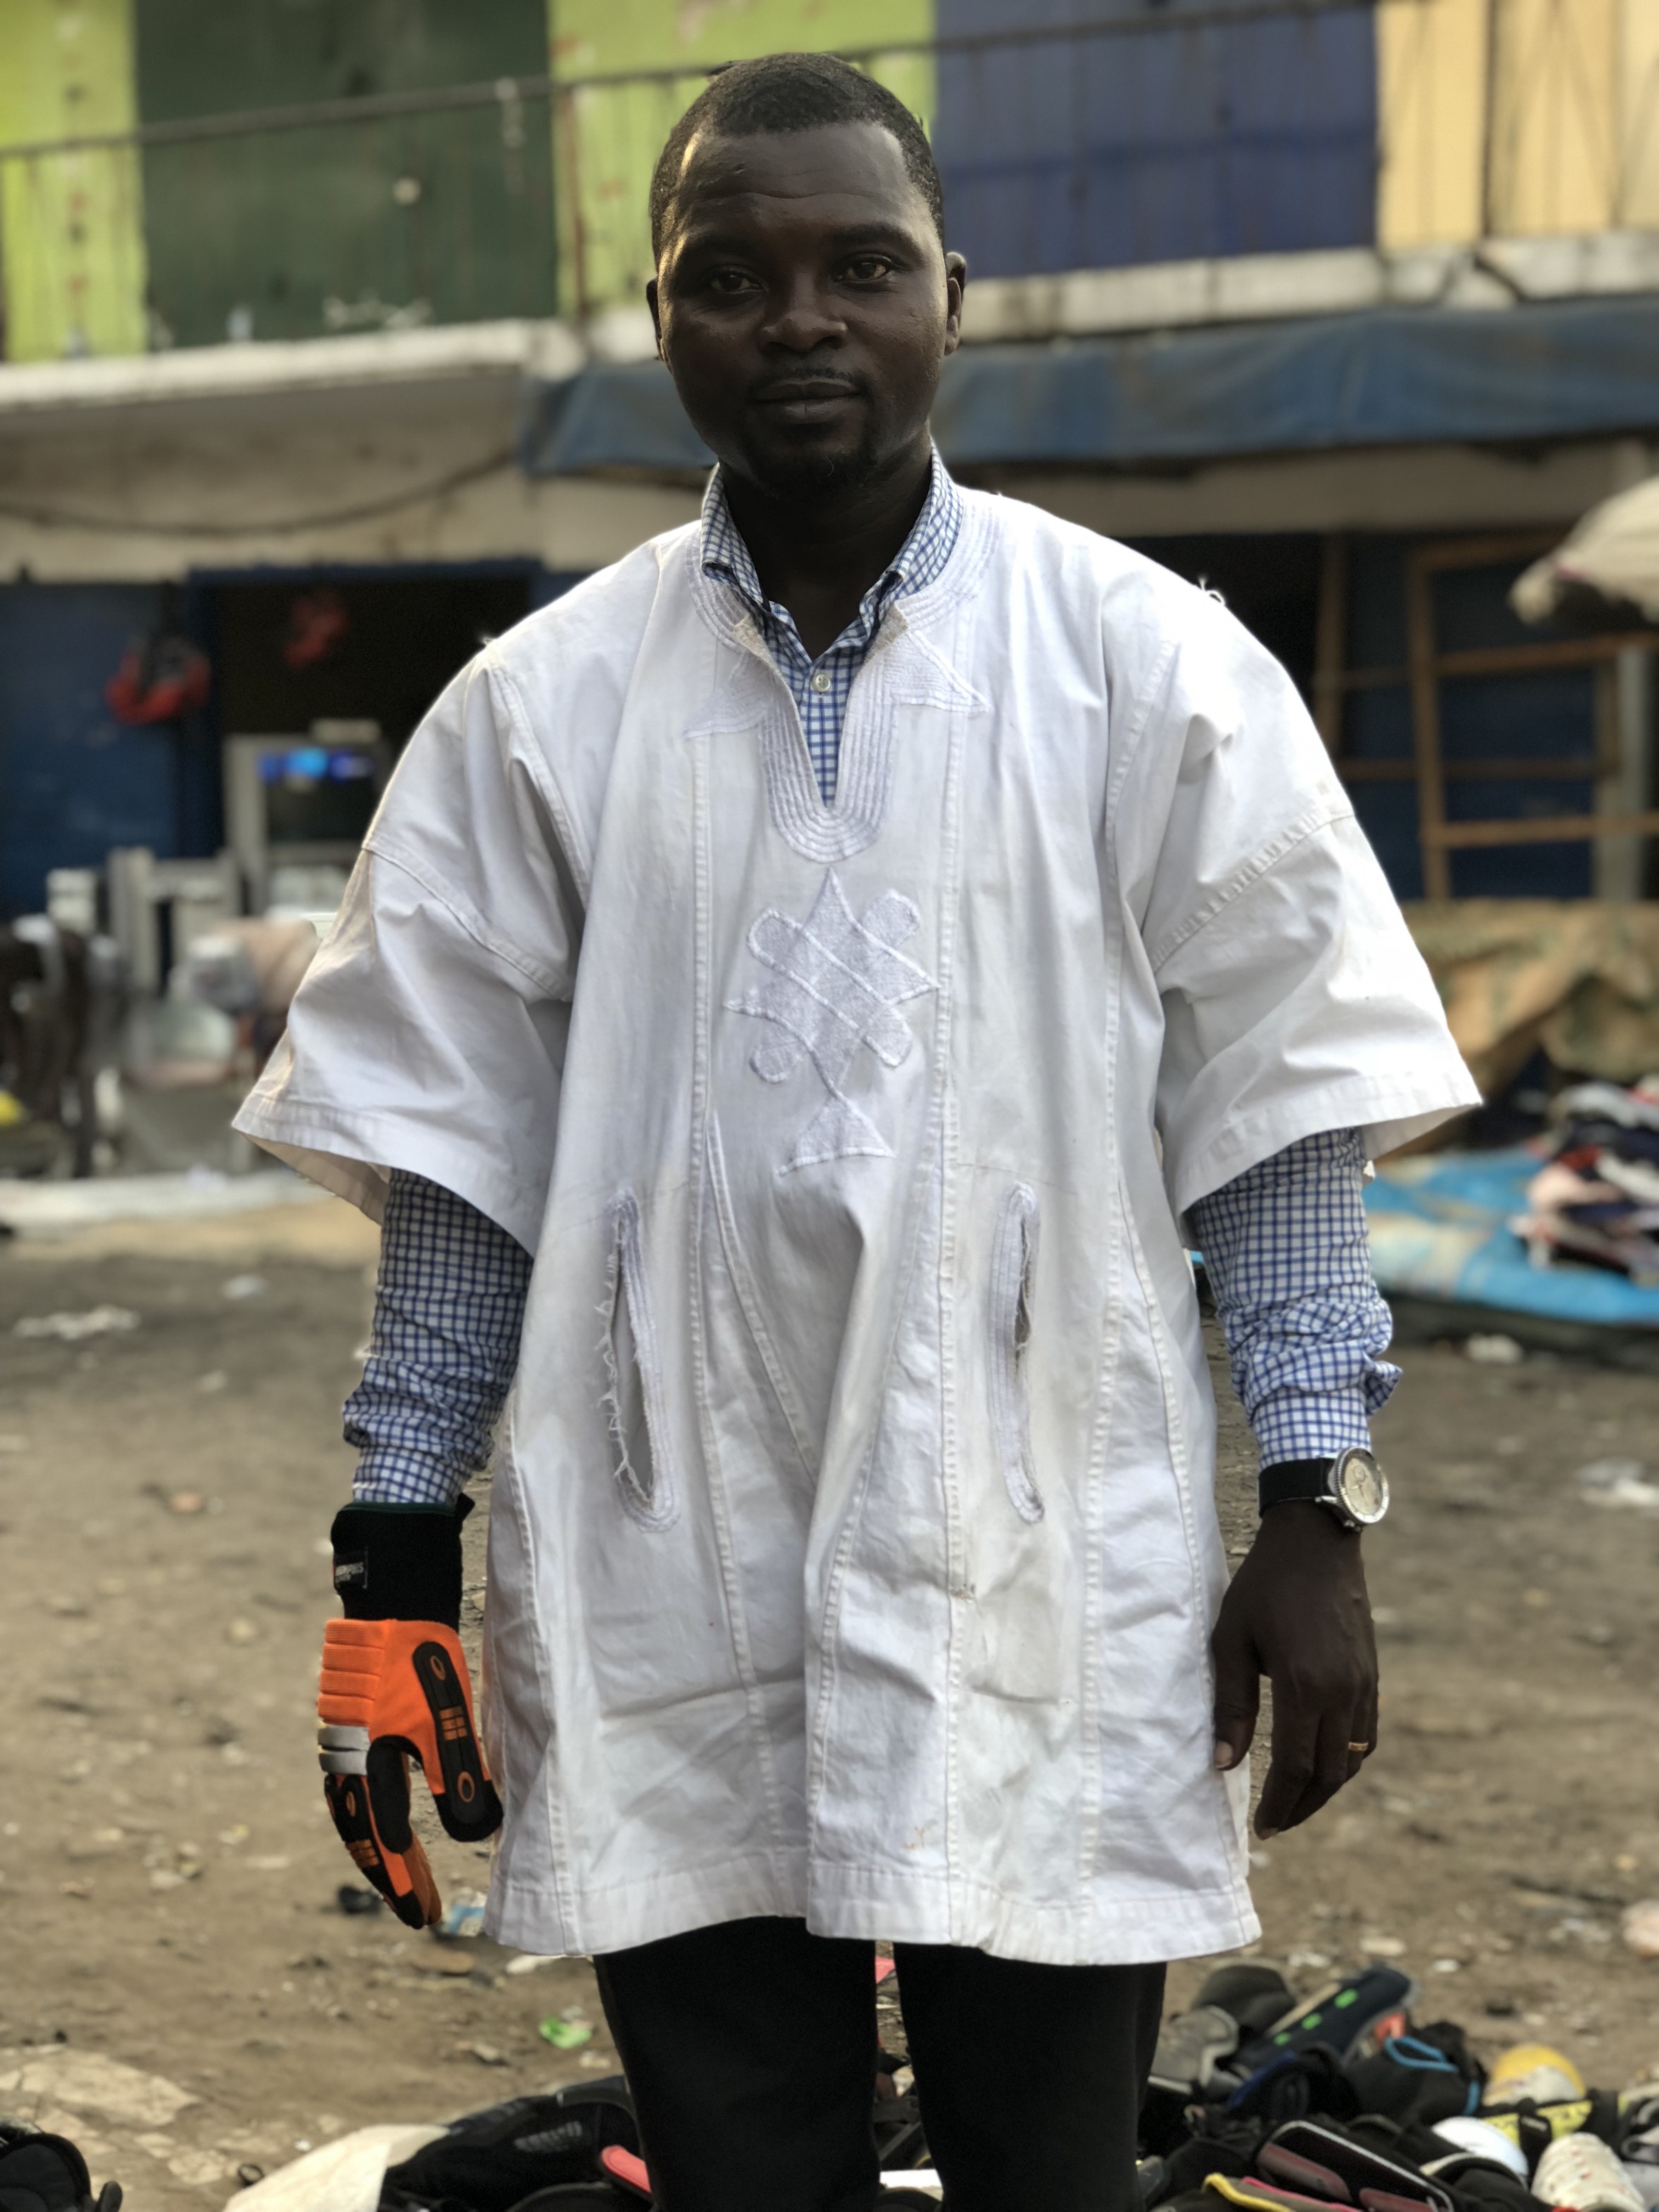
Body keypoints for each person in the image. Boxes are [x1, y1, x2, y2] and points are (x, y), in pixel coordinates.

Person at [235, 52, 1479, 2212]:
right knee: (742, 2169)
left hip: (1038, 1551)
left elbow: (1273, 1118)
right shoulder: (542, 709)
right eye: (732, 274)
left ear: (954, 296)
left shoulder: (1143, 667)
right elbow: (452, 1167)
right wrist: (392, 1552)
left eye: (858, 267)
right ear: (659, 314)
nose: (798, 318)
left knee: (1047, 2167)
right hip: (658, 1561)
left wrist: (1319, 1505)